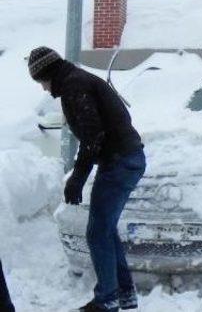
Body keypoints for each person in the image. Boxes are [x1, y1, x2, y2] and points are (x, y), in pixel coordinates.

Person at [28, 47, 145, 312]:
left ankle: (107, 299)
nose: (44, 89)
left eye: (41, 82)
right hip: (124, 159)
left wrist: (77, 179)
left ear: (46, 73)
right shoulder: (79, 81)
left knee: (97, 232)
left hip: (120, 161)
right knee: (105, 229)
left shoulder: (74, 86)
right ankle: (123, 293)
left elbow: (93, 137)